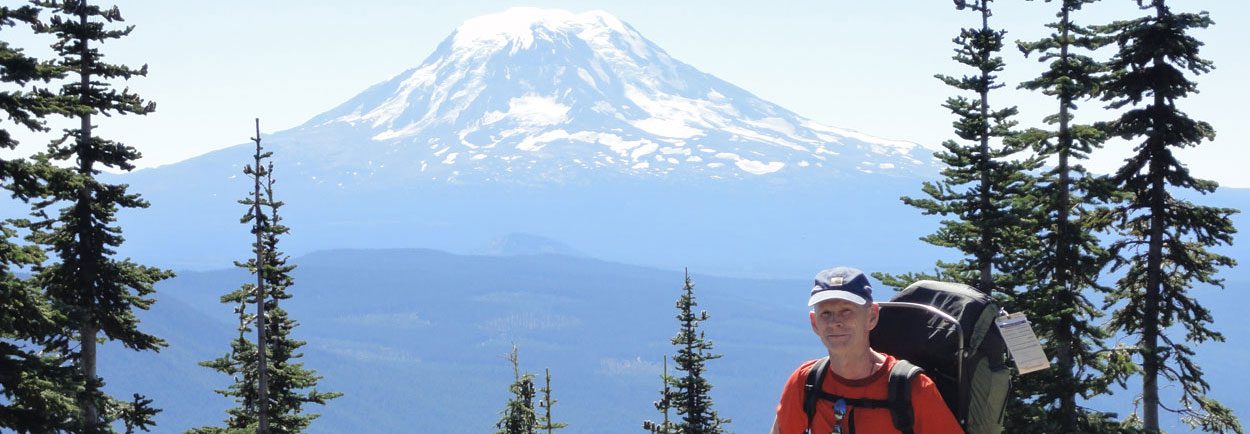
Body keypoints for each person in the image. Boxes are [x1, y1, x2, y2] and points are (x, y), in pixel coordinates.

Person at [770, 267, 963, 434]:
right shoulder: (806, 382)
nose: (835, 322)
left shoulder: (913, 388)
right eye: (826, 313)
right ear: (814, 323)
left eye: (847, 311)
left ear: (871, 317)